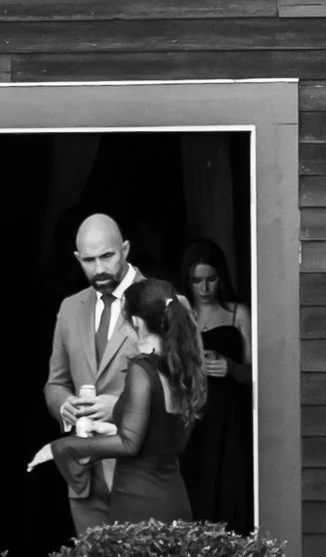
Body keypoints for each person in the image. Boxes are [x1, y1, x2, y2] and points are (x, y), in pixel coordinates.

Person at [60, 278, 206, 524]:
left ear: (136, 322)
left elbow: (129, 444)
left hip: (140, 502)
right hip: (173, 497)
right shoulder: (181, 368)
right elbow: (159, 434)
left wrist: (65, 448)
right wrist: (105, 428)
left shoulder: (143, 368)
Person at [43, 212, 135, 535]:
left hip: (139, 476)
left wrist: (119, 407)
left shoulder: (163, 301)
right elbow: (55, 382)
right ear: (76, 258)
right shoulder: (70, 308)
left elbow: (184, 393)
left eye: (107, 256)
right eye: (89, 260)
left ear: (125, 248)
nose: (99, 269)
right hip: (83, 477)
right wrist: (64, 405)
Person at [177, 237, 255, 531]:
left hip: (231, 420)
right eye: (198, 280)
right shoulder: (181, 316)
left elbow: (261, 375)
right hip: (193, 419)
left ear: (222, 278)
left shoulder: (238, 314)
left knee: (230, 492)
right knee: (195, 493)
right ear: (188, 280)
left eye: (212, 279)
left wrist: (231, 367)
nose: (205, 288)